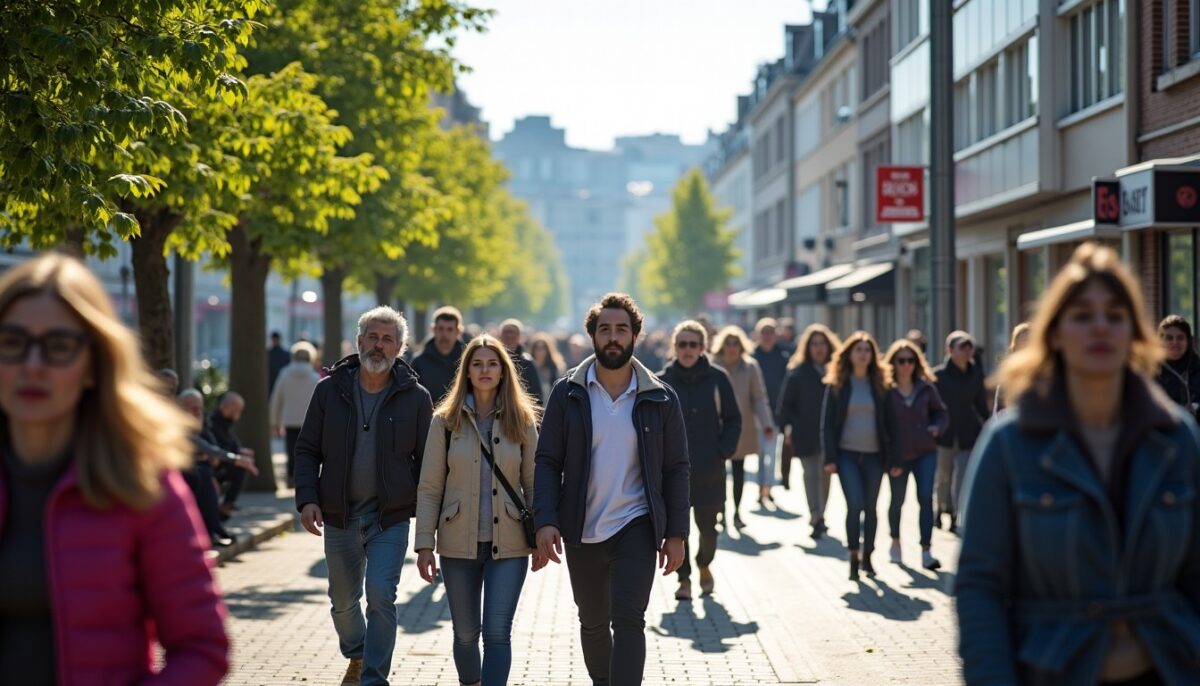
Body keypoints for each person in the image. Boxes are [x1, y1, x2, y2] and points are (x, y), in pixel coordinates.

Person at [956, 242, 1200, 685]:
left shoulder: (1176, 438)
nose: (1100, 328)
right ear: (1054, 334)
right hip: (1052, 672)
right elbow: (979, 587)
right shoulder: (1010, 443)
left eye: (1115, 315)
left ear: (1134, 334)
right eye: (1083, 316)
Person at [0, 254, 229, 684]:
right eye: (12, 341)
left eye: (59, 346)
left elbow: (201, 648)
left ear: (94, 365)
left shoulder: (142, 482)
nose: (32, 364)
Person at [533, 293, 688, 686]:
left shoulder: (661, 397)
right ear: (592, 336)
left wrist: (677, 533)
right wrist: (545, 520)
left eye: (622, 329)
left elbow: (676, 468)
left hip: (637, 524)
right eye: (605, 330)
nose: (613, 337)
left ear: (636, 335)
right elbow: (547, 461)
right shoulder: (568, 393)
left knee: (629, 621)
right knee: (593, 622)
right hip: (582, 526)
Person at [294, 306, 433, 686]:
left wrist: (427, 524)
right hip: (339, 516)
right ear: (358, 343)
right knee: (342, 601)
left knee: (381, 595)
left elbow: (428, 464)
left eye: (388, 339)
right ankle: (356, 652)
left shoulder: (416, 398)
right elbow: (307, 449)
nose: (379, 345)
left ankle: (373, 677)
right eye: (372, 337)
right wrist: (307, 499)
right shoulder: (328, 391)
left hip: (390, 517)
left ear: (400, 348)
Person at [414, 335, 542, 686]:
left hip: (511, 544)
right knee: (466, 635)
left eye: (492, 364)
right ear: (466, 372)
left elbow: (534, 486)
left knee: (498, 633)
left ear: (503, 372)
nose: (485, 370)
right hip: (457, 543)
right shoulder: (445, 421)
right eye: (477, 364)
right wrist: (425, 543)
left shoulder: (523, 420)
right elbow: (429, 488)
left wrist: (542, 536)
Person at [658, 320, 741, 601]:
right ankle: (684, 580)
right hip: (672, 474)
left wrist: (723, 450)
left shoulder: (718, 378)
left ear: (703, 347)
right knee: (677, 531)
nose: (688, 350)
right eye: (682, 344)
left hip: (709, 470)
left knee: (709, 531)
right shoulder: (661, 381)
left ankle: (704, 563)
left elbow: (733, 419)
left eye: (693, 344)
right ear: (675, 347)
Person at [821, 331, 895, 581]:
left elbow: (891, 424)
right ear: (849, 355)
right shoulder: (837, 385)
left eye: (867, 350)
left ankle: (868, 556)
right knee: (855, 505)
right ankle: (853, 555)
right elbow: (827, 424)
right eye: (858, 350)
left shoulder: (881, 385)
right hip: (847, 455)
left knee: (871, 508)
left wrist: (893, 459)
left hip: (875, 456)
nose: (863, 354)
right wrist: (830, 458)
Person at [882, 339, 948, 570]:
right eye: (901, 360)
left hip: (924, 451)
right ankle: (896, 542)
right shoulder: (886, 390)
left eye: (911, 360)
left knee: (924, 498)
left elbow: (941, 412)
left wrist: (936, 427)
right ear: (893, 363)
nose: (906, 365)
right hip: (898, 454)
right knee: (897, 500)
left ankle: (926, 550)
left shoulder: (926, 388)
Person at [777, 324, 841, 540]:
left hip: (830, 435)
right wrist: (786, 427)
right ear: (807, 347)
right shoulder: (798, 372)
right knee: (810, 475)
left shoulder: (837, 370)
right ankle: (816, 517)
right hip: (804, 432)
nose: (819, 348)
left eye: (822, 344)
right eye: (814, 344)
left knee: (825, 476)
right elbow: (786, 403)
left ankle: (821, 513)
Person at [711, 325, 776, 526]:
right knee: (718, 474)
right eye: (728, 344)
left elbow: (759, 397)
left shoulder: (750, 367)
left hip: (742, 427)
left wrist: (767, 423)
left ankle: (737, 512)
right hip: (715, 428)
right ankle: (720, 511)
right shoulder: (713, 366)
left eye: (736, 344)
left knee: (738, 472)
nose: (732, 348)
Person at [179, 389, 258, 547]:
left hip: (203, 466)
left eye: (200, 409)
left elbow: (211, 445)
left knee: (205, 474)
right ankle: (214, 528)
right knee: (203, 476)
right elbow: (206, 448)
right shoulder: (180, 424)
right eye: (194, 409)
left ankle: (214, 528)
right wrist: (236, 458)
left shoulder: (205, 424)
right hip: (186, 468)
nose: (198, 413)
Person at [932, 330, 991, 533]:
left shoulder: (976, 375)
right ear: (950, 350)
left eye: (969, 348)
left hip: (968, 433)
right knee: (943, 476)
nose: (966, 352)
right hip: (944, 435)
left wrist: (989, 423)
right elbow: (931, 407)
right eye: (962, 347)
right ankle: (940, 509)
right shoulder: (938, 375)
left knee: (964, 475)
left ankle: (958, 515)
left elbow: (981, 404)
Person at [270, 341, 322, 488]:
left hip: (289, 419)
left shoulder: (284, 374)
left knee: (290, 449)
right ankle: (304, 478)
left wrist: (274, 422)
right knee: (308, 451)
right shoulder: (314, 377)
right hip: (309, 421)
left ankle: (290, 477)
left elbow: (276, 399)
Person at [752, 317, 790, 501]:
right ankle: (762, 487)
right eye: (764, 332)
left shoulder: (783, 357)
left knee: (772, 453)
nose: (767, 336)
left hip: (775, 413)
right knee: (760, 453)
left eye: (771, 332)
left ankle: (768, 486)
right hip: (755, 414)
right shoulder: (752, 357)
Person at [207, 391, 255, 519]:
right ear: (224, 407)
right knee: (241, 466)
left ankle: (228, 503)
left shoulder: (223, 422)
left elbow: (231, 442)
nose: (237, 415)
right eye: (236, 410)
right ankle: (226, 504)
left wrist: (240, 451)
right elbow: (220, 446)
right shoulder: (213, 422)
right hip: (214, 463)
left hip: (222, 460)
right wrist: (238, 455)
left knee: (242, 464)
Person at [412, 306, 467, 405]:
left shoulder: (467, 361)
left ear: (458, 332)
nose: (444, 334)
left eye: (450, 329)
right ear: (434, 330)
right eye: (441, 329)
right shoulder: (419, 362)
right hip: (428, 418)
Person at [1155, 314, 1200, 422]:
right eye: (1169, 338)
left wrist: (1195, 408)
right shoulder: (1151, 371)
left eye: (1180, 338)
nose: (1175, 343)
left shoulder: (1197, 368)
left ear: (1188, 341)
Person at [498, 319, 544, 403]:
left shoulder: (527, 362)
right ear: (500, 336)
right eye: (506, 332)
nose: (509, 336)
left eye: (513, 332)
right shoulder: (493, 360)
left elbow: (536, 394)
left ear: (520, 337)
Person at [993, 322, 1031, 413]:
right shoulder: (1009, 374)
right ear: (1015, 347)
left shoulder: (1047, 372)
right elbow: (999, 411)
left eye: (1029, 343)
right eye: (1022, 343)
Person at [529, 332, 566, 404]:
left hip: (551, 404)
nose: (540, 351)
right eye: (537, 348)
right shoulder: (528, 366)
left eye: (543, 348)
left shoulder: (554, 367)